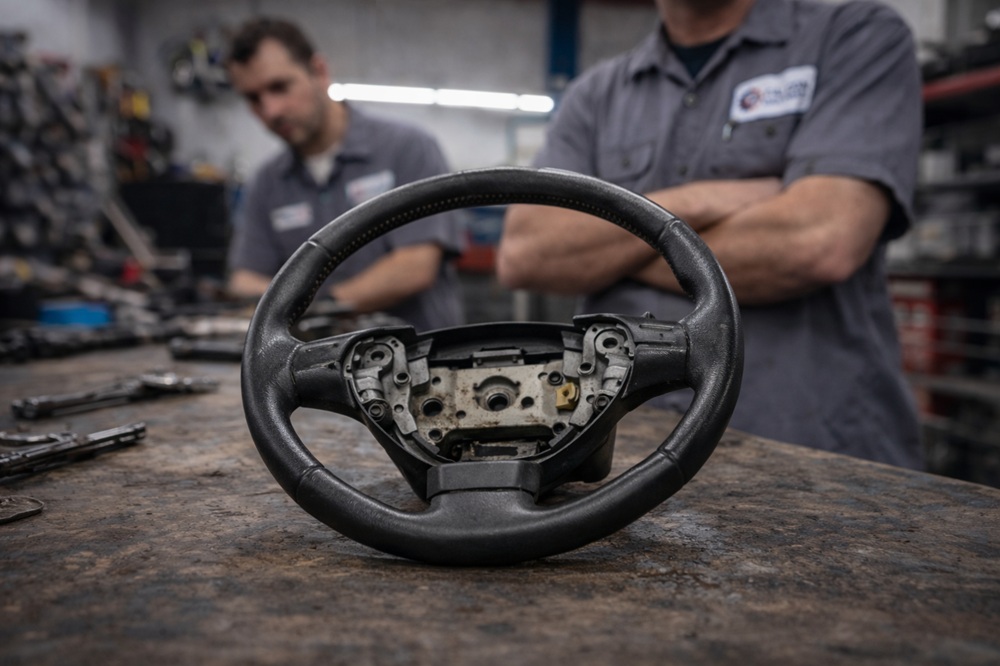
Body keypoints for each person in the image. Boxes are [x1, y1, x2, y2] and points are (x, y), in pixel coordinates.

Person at [497, 0, 924, 469]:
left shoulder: (852, 36)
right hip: (623, 448)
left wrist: (607, 243)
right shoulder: (595, 95)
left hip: (811, 453)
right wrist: (703, 201)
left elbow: (820, 241)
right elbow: (527, 252)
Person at [225, 17, 464, 331]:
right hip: (316, 371)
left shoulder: (407, 149)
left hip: (418, 365)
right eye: (253, 98)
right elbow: (244, 279)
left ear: (319, 72)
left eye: (279, 87)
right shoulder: (266, 183)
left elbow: (416, 265)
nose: (271, 111)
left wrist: (316, 309)